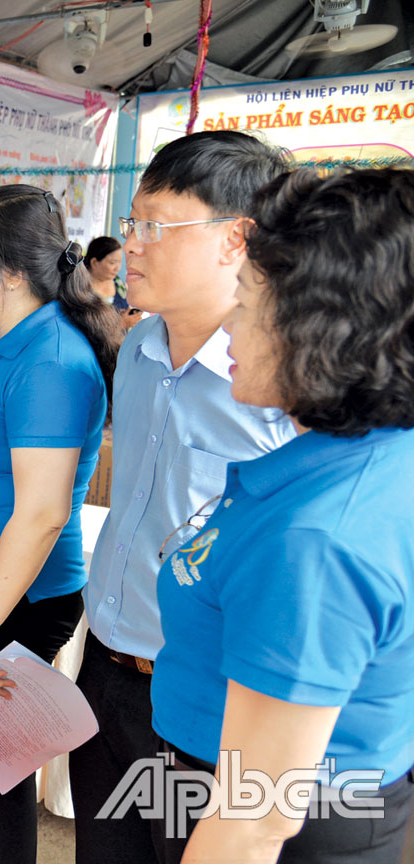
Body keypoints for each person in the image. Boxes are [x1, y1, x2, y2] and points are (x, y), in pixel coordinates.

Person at [150, 166, 414, 863]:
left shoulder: (318, 540)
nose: (229, 323)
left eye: (247, 301)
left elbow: (254, 820)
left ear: (324, 328)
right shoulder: (366, 459)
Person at [70, 131, 296, 864]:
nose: (130, 245)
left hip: (205, 696)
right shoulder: (135, 349)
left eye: (155, 226)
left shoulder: (280, 388)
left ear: (237, 239)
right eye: (131, 223)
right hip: (104, 665)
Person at [0, 185, 120, 864]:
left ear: (10, 270)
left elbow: (40, 513)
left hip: (20, 601)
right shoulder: (3, 342)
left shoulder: (53, 361)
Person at [83, 235, 142, 331]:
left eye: (119, 262)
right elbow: (87, 329)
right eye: (112, 263)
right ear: (94, 262)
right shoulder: (81, 290)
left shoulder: (117, 283)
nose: (117, 268)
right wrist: (121, 323)